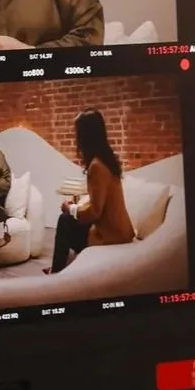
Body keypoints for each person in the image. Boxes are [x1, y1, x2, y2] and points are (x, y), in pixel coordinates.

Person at [49, 109, 136, 274]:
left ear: (85, 135)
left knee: (65, 221)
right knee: (68, 220)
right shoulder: (106, 159)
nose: (76, 138)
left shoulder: (97, 166)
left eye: (78, 133)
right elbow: (99, 202)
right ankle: (58, 268)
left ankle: (56, 272)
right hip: (120, 230)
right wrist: (76, 208)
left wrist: (71, 209)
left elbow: (95, 212)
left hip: (112, 235)